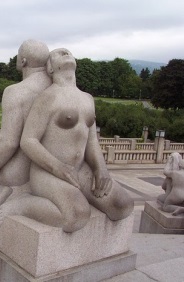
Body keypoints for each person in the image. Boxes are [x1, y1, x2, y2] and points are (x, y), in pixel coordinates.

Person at [16, 48, 133, 232]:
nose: (65, 52)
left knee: (122, 205)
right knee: (76, 216)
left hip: (79, 170)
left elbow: (92, 142)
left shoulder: (87, 99)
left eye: (68, 52)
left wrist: (100, 168)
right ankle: (22, 205)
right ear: (50, 69)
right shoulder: (47, 98)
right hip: (48, 172)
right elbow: (28, 140)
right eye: (58, 54)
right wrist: (57, 167)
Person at [0, 39, 52, 221]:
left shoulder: (16, 92)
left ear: (23, 61)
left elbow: (8, 142)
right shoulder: (55, 87)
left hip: (19, 173)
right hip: (46, 170)